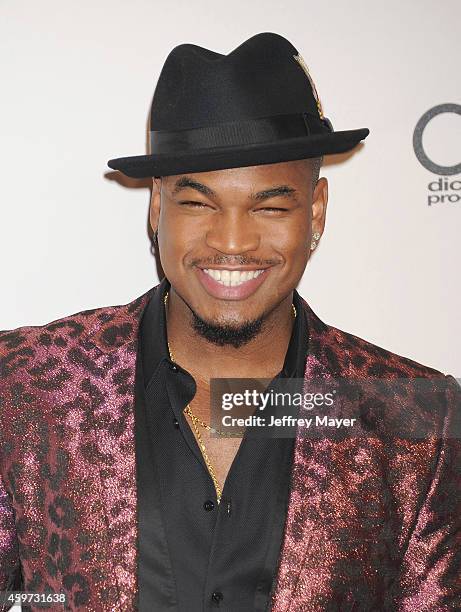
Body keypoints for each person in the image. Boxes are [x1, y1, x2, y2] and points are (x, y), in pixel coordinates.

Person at [0, 32, 460, 612]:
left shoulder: (415, 419)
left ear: (315, 211)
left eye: (269, 206)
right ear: (155, 207)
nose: (233, 242)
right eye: (197, 203)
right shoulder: (25, 384)